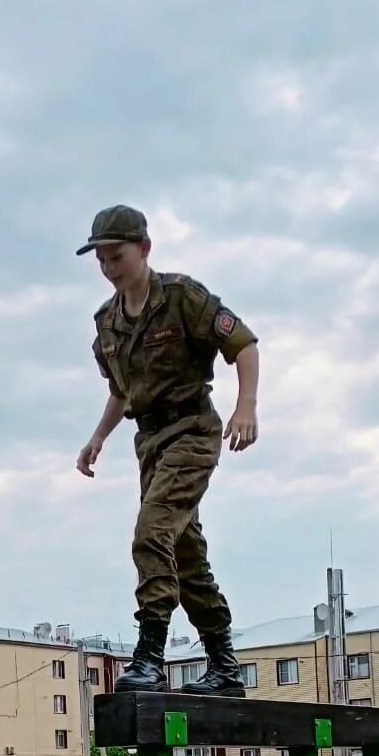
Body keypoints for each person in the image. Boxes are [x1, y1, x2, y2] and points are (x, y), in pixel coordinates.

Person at [75, 205, 260, 696]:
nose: (110, 268)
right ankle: (224, 667)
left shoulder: (182, 296)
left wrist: (246, 407)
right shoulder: (107, 324)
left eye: (117, 256)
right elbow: (121, 389)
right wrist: (98, 437)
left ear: (144, 249)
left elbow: (243, 345)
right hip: (150, 442)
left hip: (193, 430)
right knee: (184, 551)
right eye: (101, 261)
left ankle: (150, 656)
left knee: (150, 532)